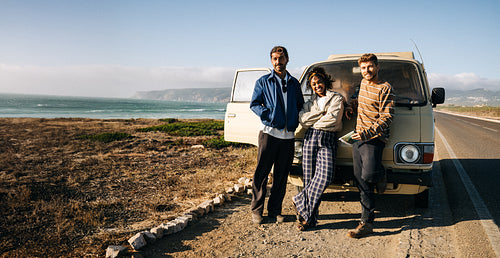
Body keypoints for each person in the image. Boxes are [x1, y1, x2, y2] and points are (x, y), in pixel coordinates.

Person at [249, 46, 304, 224]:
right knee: (261, 174)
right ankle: (257, 211)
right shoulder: (263, 81)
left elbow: (300, 105)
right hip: (269, 134)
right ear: (271, 61)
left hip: (288, 137)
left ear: (287, 59)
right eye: (274, 59)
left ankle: (275, 211)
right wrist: (268, 116)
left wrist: (296, 120)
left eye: (281, 58)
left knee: (281, 176)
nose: (278, 62)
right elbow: (255, 104)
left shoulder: (294, 83)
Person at [348, 53, 395, 238]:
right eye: (363, 68)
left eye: (369, 67)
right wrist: (352, 107)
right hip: (357, 136)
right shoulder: (363, 84)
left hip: (375, 138)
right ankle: (366, 222)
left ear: (376, 66)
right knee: (360, 179)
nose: (366, 71)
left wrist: (367, 132)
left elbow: (388, 117)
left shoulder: (385, 88)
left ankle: (380, 172)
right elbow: (361, 103)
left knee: (368, 175)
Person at [292, 67, 344, 231]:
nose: (317, 85)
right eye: (313, 84)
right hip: (310, 139)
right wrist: (322, 113)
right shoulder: (310, 103)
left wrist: (314, 120)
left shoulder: (336, 98)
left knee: (326, 176)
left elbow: (333, 119)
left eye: (319, 82)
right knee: (309, 180)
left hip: (327, 138)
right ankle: (310, 220)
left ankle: (299, 199)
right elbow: (302, 119)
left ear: (325, 82)